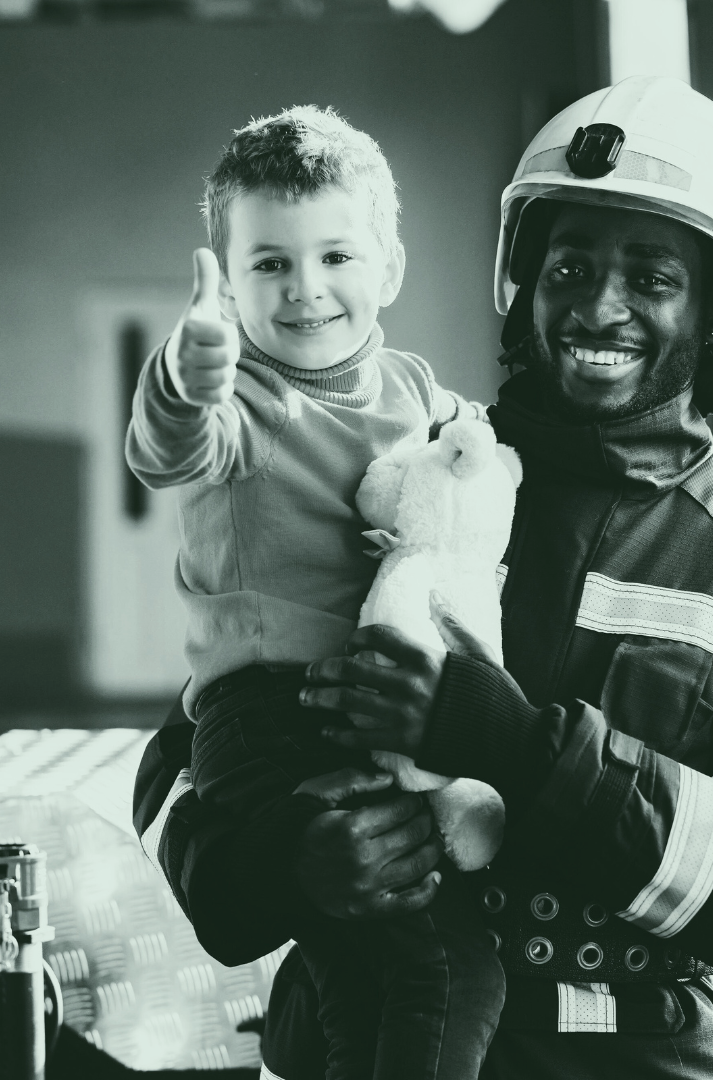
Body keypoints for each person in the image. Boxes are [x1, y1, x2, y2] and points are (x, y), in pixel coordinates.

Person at [134, 78, 713, 1080]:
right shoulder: (426, 477)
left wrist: (526, 752)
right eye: (569, 265)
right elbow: (191, 742)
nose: (599, 305)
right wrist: (279, 864)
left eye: (653, 279)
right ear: (524, 282)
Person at [126, 106, 505, 1080]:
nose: (306, 291)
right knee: (448, 973)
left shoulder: (414, 389)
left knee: (362, 988)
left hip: (373, 719)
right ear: (229, 279)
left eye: (336, 256)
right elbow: (169, 448)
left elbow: (491, 468)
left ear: (391, 267)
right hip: (271, 722)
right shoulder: (241, 404)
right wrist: (183, 373)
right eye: (269, 265)